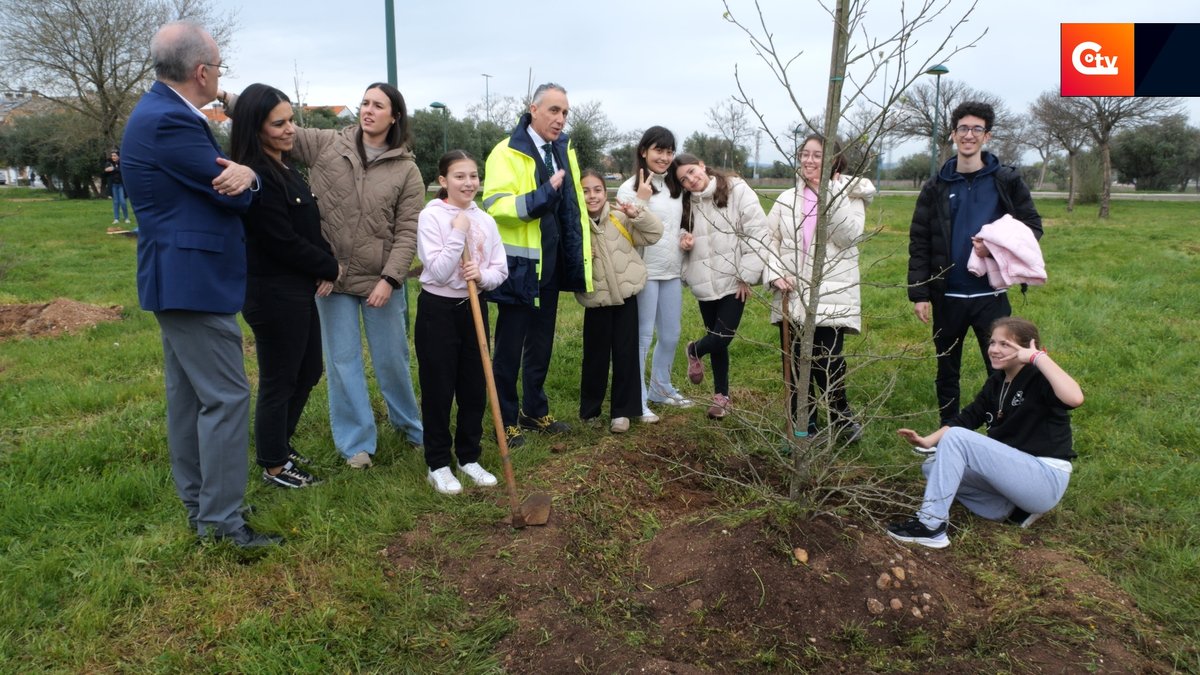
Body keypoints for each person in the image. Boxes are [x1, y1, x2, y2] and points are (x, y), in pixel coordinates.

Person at [121, 21, 280, 548]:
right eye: (218, 67)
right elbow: (229, 192)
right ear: (202, 71)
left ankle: (204, 507)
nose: (219, 76)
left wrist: (244, 174)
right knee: (226, 397)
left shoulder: (159, 112)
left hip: (179, 277)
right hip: (192, 279)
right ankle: (221, 522)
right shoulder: (171, 120)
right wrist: (250, 176)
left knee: (190, 399)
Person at [221, 82, 425, 469]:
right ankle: (356, 444)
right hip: (331, 280)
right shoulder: (329, 144)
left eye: (378, 105)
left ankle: (410, 428)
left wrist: (391, 279)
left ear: (394, 116)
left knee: (392, 361)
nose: (368, 110)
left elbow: (407, 231)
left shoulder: (407, 170)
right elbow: (271, 125)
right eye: (364, 103)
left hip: (381, 281)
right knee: (342, 363)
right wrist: (227, 99)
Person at [887, 317, 1084, 549]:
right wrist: (928, 441)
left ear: (1026, 349)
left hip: (1044, 479)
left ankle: (931, 526)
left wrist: (1037, 358)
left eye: (1005, 344)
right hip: (1017, 481)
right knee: (931, 466)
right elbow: (968, 417)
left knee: (957, 438)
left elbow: (1075, 398)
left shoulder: (1038, 376)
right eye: (992, 342)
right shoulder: (997, 382)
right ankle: (1015, 512)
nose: (994, 349)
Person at [230, 83, 339, 490]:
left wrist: (324, 262)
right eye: (279, 124)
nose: (290, 129)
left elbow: (307, 227)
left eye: (291, 120)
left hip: (297, 289)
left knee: (309, 370)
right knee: (280, 379)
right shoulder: (256, 176)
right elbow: (281, 240)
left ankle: (280, 444)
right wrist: (330, 266)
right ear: (255, 128)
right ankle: (274, 465)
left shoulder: (286, 168)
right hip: (273, 294)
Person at [908, 101, 1043, 424]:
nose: (969, 135)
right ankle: (948, 431)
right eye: (963, 129)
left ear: (987, 136)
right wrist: (920, 293)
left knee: (1002, 367)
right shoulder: (936, 186)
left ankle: (1003, 430)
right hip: (947, 296)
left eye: (977, 129)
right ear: (953, 134)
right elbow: (920, 240)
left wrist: (994, 249)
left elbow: (1031, 228)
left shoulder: (1006, 181)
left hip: (990, 296)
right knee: (947, 369)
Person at [481, 82, 592, 448]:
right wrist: (543, 195)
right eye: (554, 110)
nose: (560, 119)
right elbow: (496, 205)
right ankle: (505, 420)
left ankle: (533, 410)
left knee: (541, 344)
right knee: (510, 347)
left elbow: (571, 205)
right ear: (533, 109)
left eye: (565, 113)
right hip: (520, 266)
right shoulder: (506, 152)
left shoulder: (562, 151)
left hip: (552, 265)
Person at [765, 134, 876, 442]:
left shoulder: (850, 197)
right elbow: (768, 239)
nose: (809, 160)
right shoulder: (787, 198)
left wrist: (831, 194)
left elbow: (848, 237)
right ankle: (804, 426)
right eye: (805, 154)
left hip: (830, 293)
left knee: (827, 362)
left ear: (833, 161)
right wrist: (775, 274)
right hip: (792, 294)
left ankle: (841, 418)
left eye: (818, 155)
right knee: (795, 364)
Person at [415, 150, 508, 495]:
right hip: (438, 310)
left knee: (474, 385)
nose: (468, 183)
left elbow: (500, 269)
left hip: (474, 307)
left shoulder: (486, 220)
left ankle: (468, 457)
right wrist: (457, 233)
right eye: (459, 176)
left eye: (473, 176)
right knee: (438, 387)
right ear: (443, 180)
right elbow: (439, 271)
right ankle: (438, 463)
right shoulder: (431, 216)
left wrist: (481, 276)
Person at [669, 153, 767, 420]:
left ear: (702, 165)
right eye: (684, 179)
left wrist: (747, 274)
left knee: (722, 337)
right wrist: (683, 240)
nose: (691, 180)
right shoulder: (687, 202)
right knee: (718, 341)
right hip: (703, 280)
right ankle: (721, 397)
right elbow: (679, 231)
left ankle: (694, 350)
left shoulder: (736, 190)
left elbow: (757, 231)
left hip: (734, 280)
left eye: (692, 171)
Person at [576, 169, 663, 433]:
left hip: (626, 298)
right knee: (595, 358)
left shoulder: (620, 217)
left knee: (626, 354)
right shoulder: (575, 225)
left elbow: (654, 234)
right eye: (585, 191)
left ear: (606, 193)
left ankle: (622, 413)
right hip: (597, 300)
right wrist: (581, 256)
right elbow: (565, 260)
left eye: (597, 190)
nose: (592, 196)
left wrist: (638, 212)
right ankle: (590, 411)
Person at [616, 126, 693, 415]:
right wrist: (642, 198)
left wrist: (684, 236)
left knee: (671, 335)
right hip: (644, 272)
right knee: (643, 337)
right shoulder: (629, 188)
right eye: (659, 150)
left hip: (671, 271)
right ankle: (637, 400)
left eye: (669, 152)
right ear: (643, 151)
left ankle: (660, 389)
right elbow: (625, 229)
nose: (664, 157)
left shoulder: (675, 187)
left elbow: (677, 223)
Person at [104, 150, 132, 225]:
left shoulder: (122, 163)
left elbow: (123, 171)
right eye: (112, 156)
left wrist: (113, 169)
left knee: (123, 202)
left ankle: (126, 218)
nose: (113, 157)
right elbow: (105, 173)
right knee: (116, 202)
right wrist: (107, 170)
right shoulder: (108, 163)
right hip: (113, 185)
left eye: (115, 156)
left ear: (118, 156)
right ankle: (116, 219)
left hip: (121, 185)